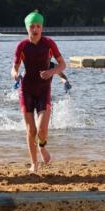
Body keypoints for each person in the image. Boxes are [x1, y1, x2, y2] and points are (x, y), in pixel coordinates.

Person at [12, 10, 66, 173]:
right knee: (31, 130)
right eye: (32, 26)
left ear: (42, 28)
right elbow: (14, 68)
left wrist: (51, 72)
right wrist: (15, 75)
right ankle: (34, 163)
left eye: (38, 26)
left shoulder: (49, 43)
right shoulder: (22, 46)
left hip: (44, 90)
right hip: (26, 90)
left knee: (42, 129)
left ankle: (42, 147)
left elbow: (62, 65)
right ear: (27, 28)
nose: (35, 29)